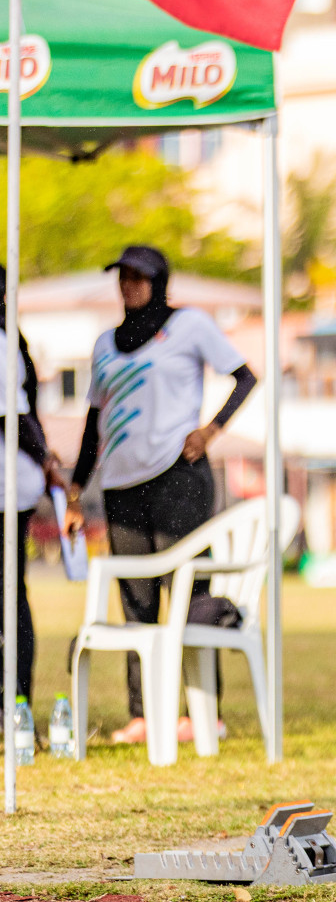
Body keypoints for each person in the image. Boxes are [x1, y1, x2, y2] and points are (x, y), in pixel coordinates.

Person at [67, 246, 257, 745]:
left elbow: (245, 377)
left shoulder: (189, 325)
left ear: (159, 281)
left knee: (191, 593)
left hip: (179, 476)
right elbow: (94, 420)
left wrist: (210, 431)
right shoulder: (105, 344)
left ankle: (205, 712)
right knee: (136, 599)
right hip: (120, 485)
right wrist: (75, 484)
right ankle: (145, 714)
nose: (129, 284)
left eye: (138, 276)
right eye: (123, 276)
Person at [0, 267, 65, 706]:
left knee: (9, 596)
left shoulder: (5, 341)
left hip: (8, 489)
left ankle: (15, 704)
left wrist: (46, 460)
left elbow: (16, 418)